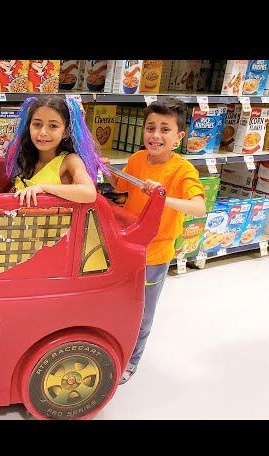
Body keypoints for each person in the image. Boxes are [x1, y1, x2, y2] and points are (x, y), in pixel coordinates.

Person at [103, 98, 206, 384]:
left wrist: (162, 196)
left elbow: (199, 207)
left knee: (143, 310)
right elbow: (121, 189)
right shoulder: (137, 159)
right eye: (150, 128)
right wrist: (109, 171)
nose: (155, 136)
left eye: (165, 129)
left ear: (179, 137)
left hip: (156, 253)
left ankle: (132, 360)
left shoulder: (182, 170)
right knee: (121, 303)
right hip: (127, 246)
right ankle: (115, 346)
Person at [0, 95, 107, 206]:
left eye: (53, 126)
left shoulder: (70, 160)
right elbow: (11, 210)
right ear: (28, 126)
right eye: (37, 124)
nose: (43, 132)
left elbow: (89, 193)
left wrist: (43, 188)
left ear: (66, 132)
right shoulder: (26, 160)